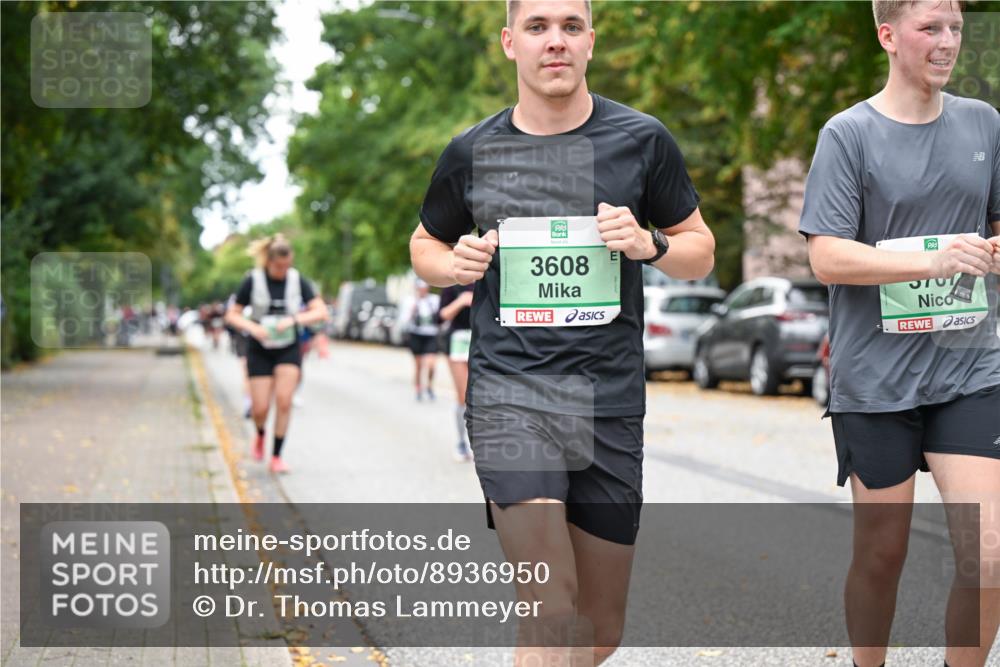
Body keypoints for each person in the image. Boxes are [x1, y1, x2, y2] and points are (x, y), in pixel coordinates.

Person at [409, 1, 715, 663]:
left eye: (571, 27)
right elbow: (424, 244)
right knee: (550, 605)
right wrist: (449, 263)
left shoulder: (641, 140)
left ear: (591, 43)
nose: (556, 42)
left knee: (599, 629)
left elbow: (700, 249)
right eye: (539, 27)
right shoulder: (473, 151)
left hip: (608, 402)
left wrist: (649, 242)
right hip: (510, 395)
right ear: (509, 43)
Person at [799, 2, 1000, 666]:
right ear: (888, 35)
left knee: (990, 550)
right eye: (930, 30)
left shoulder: (984, 123)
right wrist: (930, 262)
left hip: (969, 367)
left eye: (955, 30)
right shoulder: (847, 134)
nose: (947, 44)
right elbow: (826, 255)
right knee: (882, 554)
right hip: (876, 379)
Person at [224, 234, 328, 474]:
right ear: (269, 262)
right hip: (259, 348)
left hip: (287, 348)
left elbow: (320, 311)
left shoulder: (297, 280)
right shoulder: (252, 280)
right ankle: (260, 434)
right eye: (279, 266)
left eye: (288, 265)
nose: (284, 270)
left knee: (284, 400)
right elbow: (233, 314)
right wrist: (254, 328)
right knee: (260, 408)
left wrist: (293, 320)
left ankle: (277, 456)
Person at [438, 283, 475, 461]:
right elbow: (441, 315)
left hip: (482, 340)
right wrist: (461, 301)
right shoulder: (451, 284)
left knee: (483, 395)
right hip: (459, 340)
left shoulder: (489, 276)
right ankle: (462, 441)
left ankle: (480, 442)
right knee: (463, 395)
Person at [405, 280, 440, 401]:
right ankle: (418, 388)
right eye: (420, 288)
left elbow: (440, 317)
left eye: (425, 288)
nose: (423, 290)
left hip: (431, 335)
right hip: (416, 334)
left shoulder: (434, 300)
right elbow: (405, 320)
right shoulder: (410, 300)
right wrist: (413, 308)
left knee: (431, 365)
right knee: (419, 365)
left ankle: (429, 386)